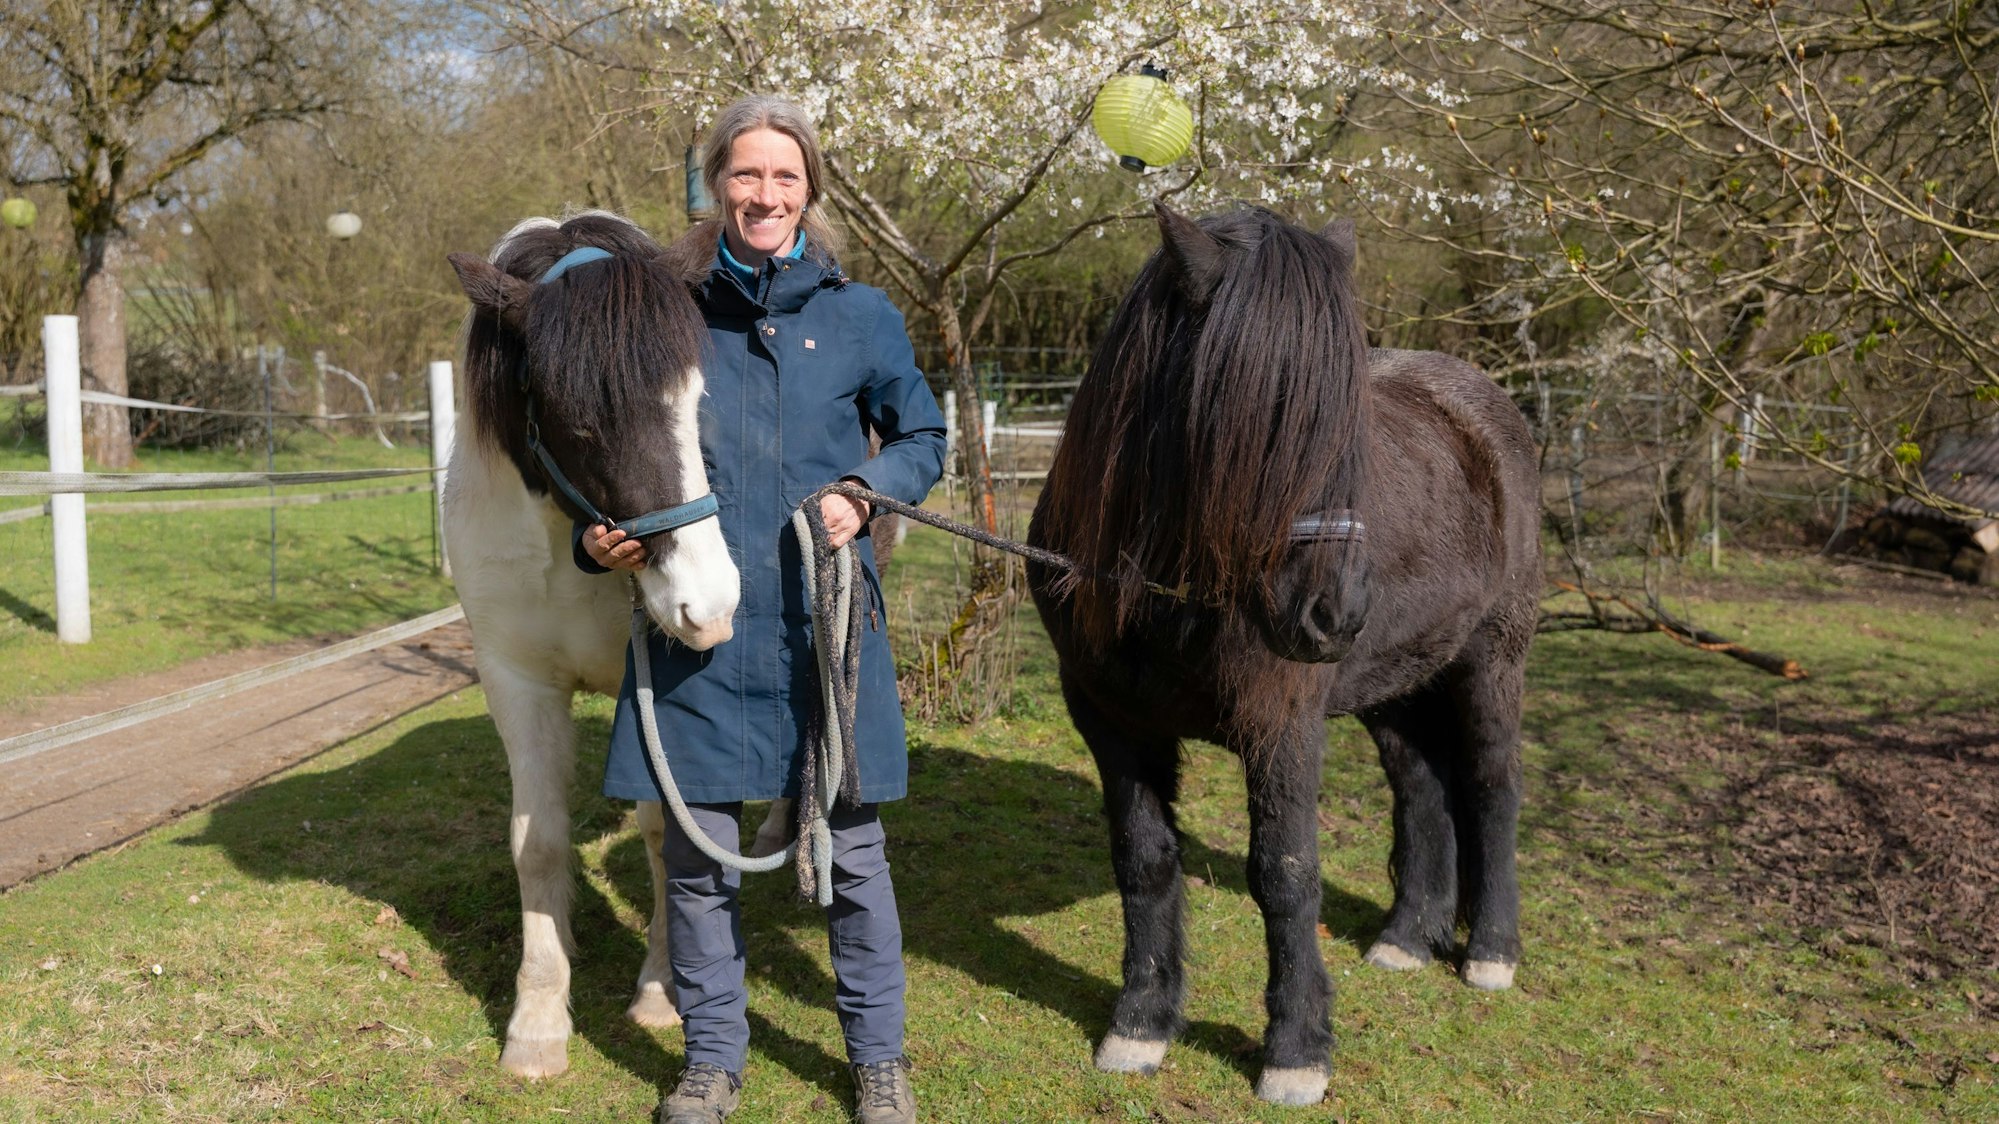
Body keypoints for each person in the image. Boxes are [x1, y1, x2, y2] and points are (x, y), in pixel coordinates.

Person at [575, 95, 945, 1124]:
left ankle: (877, 1061)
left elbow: (922, 437)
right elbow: (606, 451)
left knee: (854, 857)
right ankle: (711, 1059)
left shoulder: (862, 315)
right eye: (745, 173)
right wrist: (596, 539)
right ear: (715, 184)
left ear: (809, 189)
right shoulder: (662, 313)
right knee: (698, 865)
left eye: (785, 176)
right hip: (696, 629)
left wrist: (866, 490)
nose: (765, 194)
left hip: (825, 630)